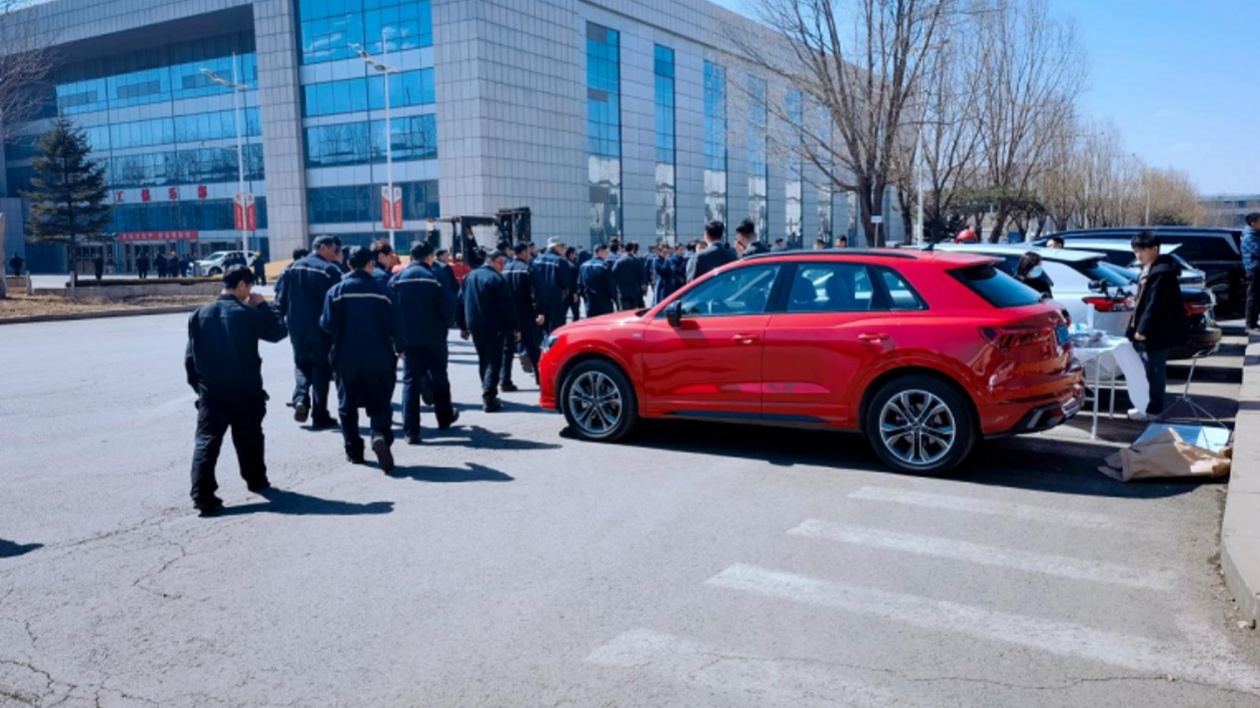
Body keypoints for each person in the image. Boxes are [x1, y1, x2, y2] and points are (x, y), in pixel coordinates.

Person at [184, 266, 288, 515]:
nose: (250, 292)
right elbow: (279, 331)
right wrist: (263, 305)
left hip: (212, 391)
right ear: (242, 285)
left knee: (206, 442)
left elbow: (190, 359)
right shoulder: (248, 314)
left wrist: (199, 388)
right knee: (250, 438)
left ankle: (202, 493)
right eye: (249, 287)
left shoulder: (200, 314)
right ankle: (256, 480)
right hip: (245, 390)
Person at [320, 246, 403, 472]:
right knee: (380, 403)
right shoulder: (383, 292)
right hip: (379, 356)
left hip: (346, 358)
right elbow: (396, 324)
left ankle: (354, 451)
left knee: (347, 406)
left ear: (348, 264)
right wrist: (401, 347)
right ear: (370, 264)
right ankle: (379, 434)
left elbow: (326, 326)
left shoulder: (336, 292)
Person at [391, 242, 459, 444]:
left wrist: (396, 339)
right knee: (439, 377)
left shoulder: (397, 279)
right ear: (429, 257)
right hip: (434, 336)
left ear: (411, 257)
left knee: (410, 382)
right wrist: (446, 324)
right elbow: (448, 307)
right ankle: (444, 418)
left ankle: (411, 430)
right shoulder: (437, 277)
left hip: (409, 338)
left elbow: (391, 310)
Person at [275, 235, 343, 429]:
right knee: (321, 368)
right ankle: (319, 414)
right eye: (333, 248)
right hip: (321, 329)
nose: (335, 252)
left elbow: (281, 297)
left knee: (302, 364)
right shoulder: (329, 270)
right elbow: (336, 302)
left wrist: (279, 319)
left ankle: (301, 399)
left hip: (296, 327)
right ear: (322, 247)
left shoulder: (292, 267)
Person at [1126, 231, 1189, 422]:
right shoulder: (1150, 270)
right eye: (1136, 250)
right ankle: (1145, 406)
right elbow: (1146, 300)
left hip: (1156, 331)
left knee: (1154, 371)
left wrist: (1142, 329)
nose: (1138, 254)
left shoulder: (1161, 273)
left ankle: (1153, 410)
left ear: (1155, 249)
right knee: (1146, 370)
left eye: (1142, 250)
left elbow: (1156, 305)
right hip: (1151, 330)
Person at [460, 250, 519, 412]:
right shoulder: (496, 279)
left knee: (483, 358)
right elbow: (507, 307)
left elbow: (460, 302)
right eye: (500, 263)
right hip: (494, 326)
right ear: (491, 261)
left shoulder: (469, 277)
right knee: (493, 361)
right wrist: (514, 327)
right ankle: (489, 396)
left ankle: (486, 388)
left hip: (475, 325)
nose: (503, 266)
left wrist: (463, 326)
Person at [501, 242, 544, 392]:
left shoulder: (505, 269)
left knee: (507, 349)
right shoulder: (527, 269)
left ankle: (505, 380)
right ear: (524, 253)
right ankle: (540, 378)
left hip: (508, 315)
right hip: (526, 314)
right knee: (533, 347)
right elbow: (535, 292)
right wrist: (539, 311)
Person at [531, 236, 573, 336]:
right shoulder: (560, 261)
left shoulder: (536, 260)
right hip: (555, 299)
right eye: (562, 246)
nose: (563, 248)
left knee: (540, 328)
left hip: (539, 299)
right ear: (556, 247)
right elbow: (566, 281)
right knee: (555, 329)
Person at [580, 243, 617, 317]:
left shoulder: (583, 265)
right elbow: (610, 283)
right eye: (606, 252)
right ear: (600, 252)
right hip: (604, 301)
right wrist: (613, 297)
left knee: (591, 324)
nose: (607, 254)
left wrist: (585, 297)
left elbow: (580, 283)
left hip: (589, 300)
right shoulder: (604, 266)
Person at [612, 241, 646, 309]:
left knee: (624, 311)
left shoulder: (619, 261)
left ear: (624, 249)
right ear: (632, 249)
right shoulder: (637, 261)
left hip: (623, 290)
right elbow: (642, 276)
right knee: (633, 310)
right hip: (635, 290)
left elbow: (613, 274)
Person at [1243, 212, 1260, 333]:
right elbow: (1258, 251)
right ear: (1253, 223)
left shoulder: (1256, 234)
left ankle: (1255, 322)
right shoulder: (1249, 236)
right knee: (1252, 297)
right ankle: (1250, 324)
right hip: (1254, 269)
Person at [565, 246, 582, 322]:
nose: (575, 256)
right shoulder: (572, 266)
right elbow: (575, 280)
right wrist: (575, 292)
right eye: (575, 254)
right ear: (571, 254)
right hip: (573, 292)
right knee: (575, 313)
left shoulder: (563, 263)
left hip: (564, 293)